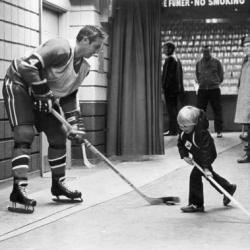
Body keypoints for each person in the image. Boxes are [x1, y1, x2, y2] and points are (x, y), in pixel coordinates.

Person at [2, 25, 105, 213]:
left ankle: (58, 185)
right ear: (84, 40)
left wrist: (75, 126)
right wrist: (43, 94)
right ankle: (18, 191)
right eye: (96, 47)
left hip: (43, 95)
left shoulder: (84, 68)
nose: (97, 52)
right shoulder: (61, 47)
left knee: (59, 136)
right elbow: (27, 66)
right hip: (19, 84)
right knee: (24, 134)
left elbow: (68, 96)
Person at [177, 106, 236, 213]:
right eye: (180, 126)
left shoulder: (200, 134)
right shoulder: (183, 133)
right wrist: (184, 155)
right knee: (208, 176)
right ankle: (228, 188)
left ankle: (196, 204)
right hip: (198, 155)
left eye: (185, 126)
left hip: (208, 155)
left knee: (195, 176)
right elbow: (180, 144)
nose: (183, 129)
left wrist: (206, 167)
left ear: (194, 123)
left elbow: (206, 151)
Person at [195, 45, 224, 138]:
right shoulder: (198, 63)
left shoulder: (217, 62)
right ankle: (201, 130)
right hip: (202, 90)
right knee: (200, 111)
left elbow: (221, 75)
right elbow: (197, 75)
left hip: (214, 90)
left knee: (217, 110)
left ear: (211, 51)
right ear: (202, 52)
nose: (206, 53)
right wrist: (202, 83)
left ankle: (219, 131)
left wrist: (214, 83)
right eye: (204, 52)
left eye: (207, 52)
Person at [162, 41, 184, 136]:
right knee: (173, 109)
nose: (164, 50)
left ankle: (173, 130)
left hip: (170, 90)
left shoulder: (170, 60)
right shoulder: (176, 59)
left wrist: (164, 87)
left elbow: (168, 76)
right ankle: (174, 129)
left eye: (165, 48)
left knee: (171, 110)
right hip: (175, 90)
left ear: (170, 49)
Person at [234, 36, 250, 163]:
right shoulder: (245, 61)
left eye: (249, 45)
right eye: (245, 46)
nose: (246, 48)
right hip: (246, 98)